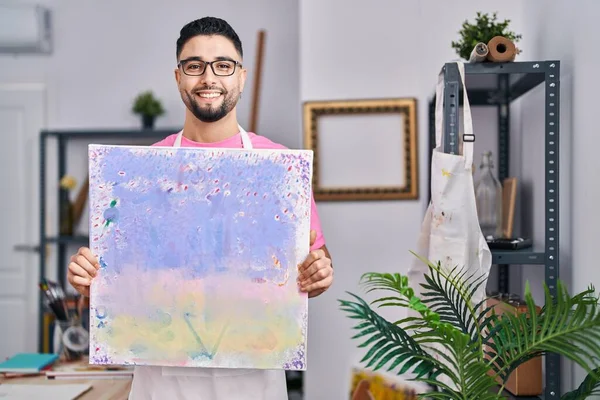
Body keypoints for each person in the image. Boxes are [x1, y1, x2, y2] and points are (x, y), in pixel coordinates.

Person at [67, 16, 333, 400]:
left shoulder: (280, 167)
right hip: (161, 378)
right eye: (195, 66)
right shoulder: (139, 171)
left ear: (241, 76)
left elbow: (314, 262)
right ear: (179, 77)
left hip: (253, 377)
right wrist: (89, 279)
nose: (209, 78)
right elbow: (117, 284)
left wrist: (320, 272)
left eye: (223, 65)